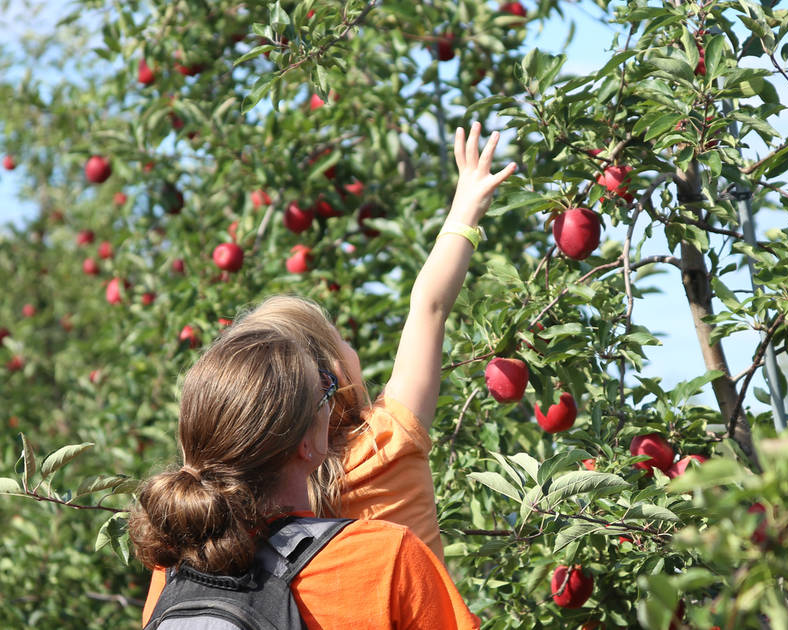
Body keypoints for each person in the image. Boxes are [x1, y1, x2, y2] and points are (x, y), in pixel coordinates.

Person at [134, 123, 516, 627]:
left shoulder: (184, 556)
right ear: (327, 379)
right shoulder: (386, 451)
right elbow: (429, 306)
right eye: (344, 342)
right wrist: (465, 210)